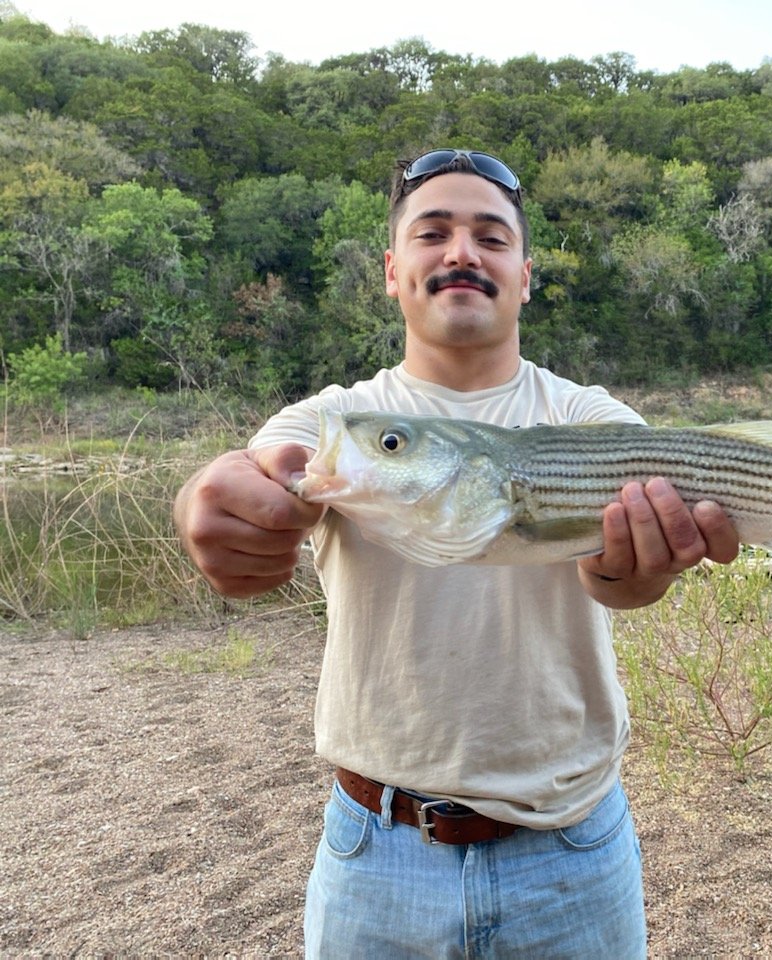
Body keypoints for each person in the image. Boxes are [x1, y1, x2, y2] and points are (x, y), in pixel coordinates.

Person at [172, 147, 741, 958]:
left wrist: (632, 570)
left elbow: (623, 584)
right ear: (393, 269)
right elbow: (248, 473)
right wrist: (210, 504)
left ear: (526, 274)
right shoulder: (344, 421)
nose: (462, 253)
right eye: (432, 232)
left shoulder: (592, 419)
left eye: (492, 236)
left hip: (572, 847)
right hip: (373, 850)